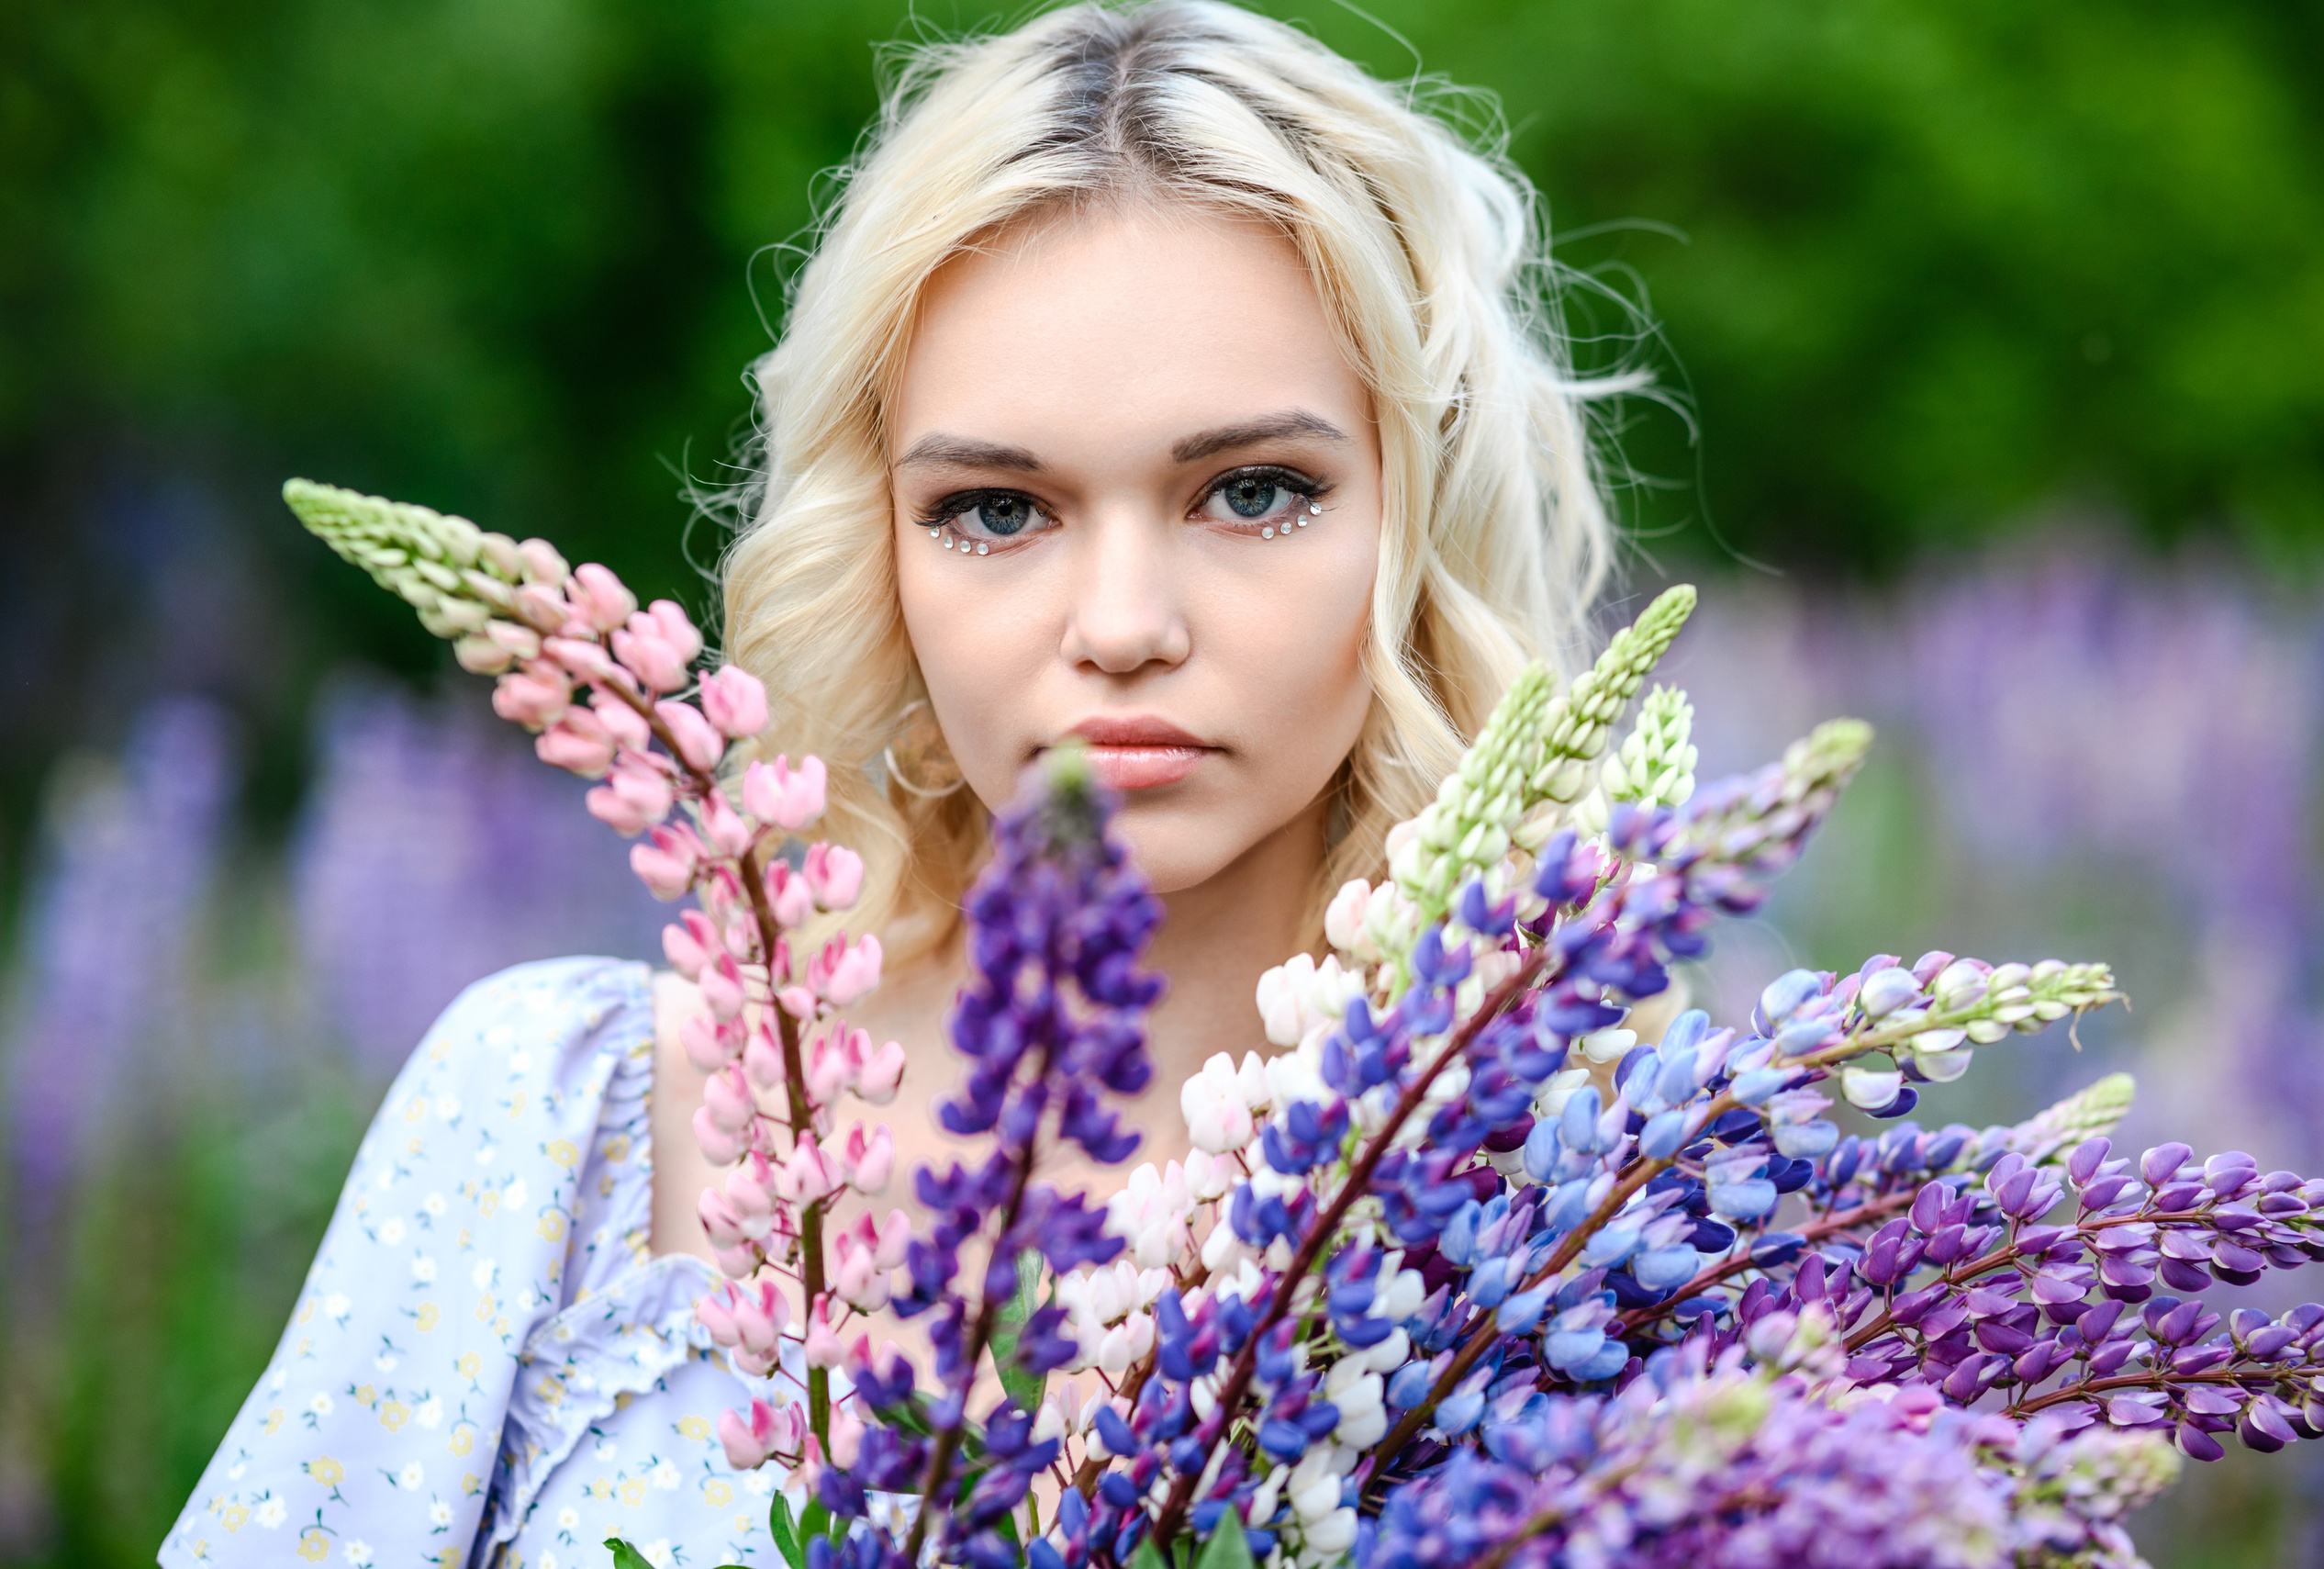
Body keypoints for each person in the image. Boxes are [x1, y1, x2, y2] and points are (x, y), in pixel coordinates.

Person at [162, 3, 1624, 1563]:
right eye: (997, 509)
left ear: (1419, 515)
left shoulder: (1559, 1236)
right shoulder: (566, 1119)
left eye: (1253, 492)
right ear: (880, 543)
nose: (1122, 627)